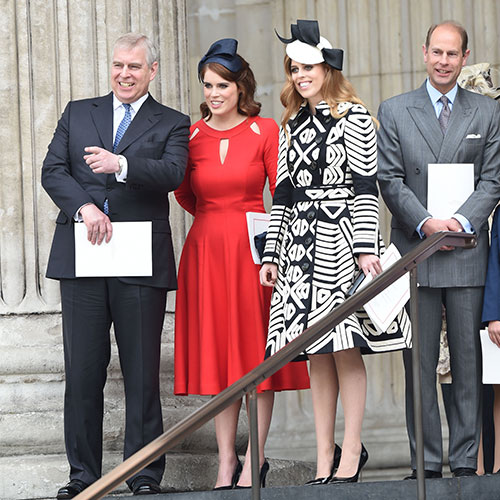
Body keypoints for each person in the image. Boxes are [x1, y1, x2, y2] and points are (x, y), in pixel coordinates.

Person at [260, 20, 411, 485]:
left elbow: (368, 186)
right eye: (293, 69)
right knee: (315, 353)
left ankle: (351, 455)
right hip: (296, 248)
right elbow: (282, 194)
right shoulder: (291, 123)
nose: (299, 75)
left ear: (327, 68)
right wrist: (271, 253)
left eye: (307, 67)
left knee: (345, 347)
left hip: (340, 242)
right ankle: (324, 456)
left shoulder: (357, 116)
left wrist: (367, 248)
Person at [42, 33, 190, 498]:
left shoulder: (172, 121)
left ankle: (144, 474)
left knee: (142, 372)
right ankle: (82, 476)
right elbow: (53, 171)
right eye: (118, 65)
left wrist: (121, 164)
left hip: (139, 257)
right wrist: (85, 208)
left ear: (153, 71)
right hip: (83, 251)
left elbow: (173, 173)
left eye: (134, 66)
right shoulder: (77, 111)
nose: (124, 74)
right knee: (83, 371)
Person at [174, 38, 310, 490]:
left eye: (224, 85)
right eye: (208, 85)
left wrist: (266, 243)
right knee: (219, 358)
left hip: (258, 256)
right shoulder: (190, 136)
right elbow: (185, 196)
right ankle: (226, 461)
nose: (215, 93)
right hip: (207, 253)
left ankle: (257, 457)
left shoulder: (266, 130)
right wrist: (219, 224)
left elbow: (283, 191)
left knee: (257, 357)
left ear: (241, 86)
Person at [377, 20, 500, 479]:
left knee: (468, 367)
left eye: (453, 54)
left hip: (467, 251)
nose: (444, 61)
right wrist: (427, 222)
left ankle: (466, 462)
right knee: (420, 366)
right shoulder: (394, 110)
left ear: (465, 57)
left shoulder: (487, 113)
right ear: (424, 53)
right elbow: (388, 178)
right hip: (418, 253)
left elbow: (493, 179)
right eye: (437, 52)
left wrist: (459, 222)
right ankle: (426, 464)